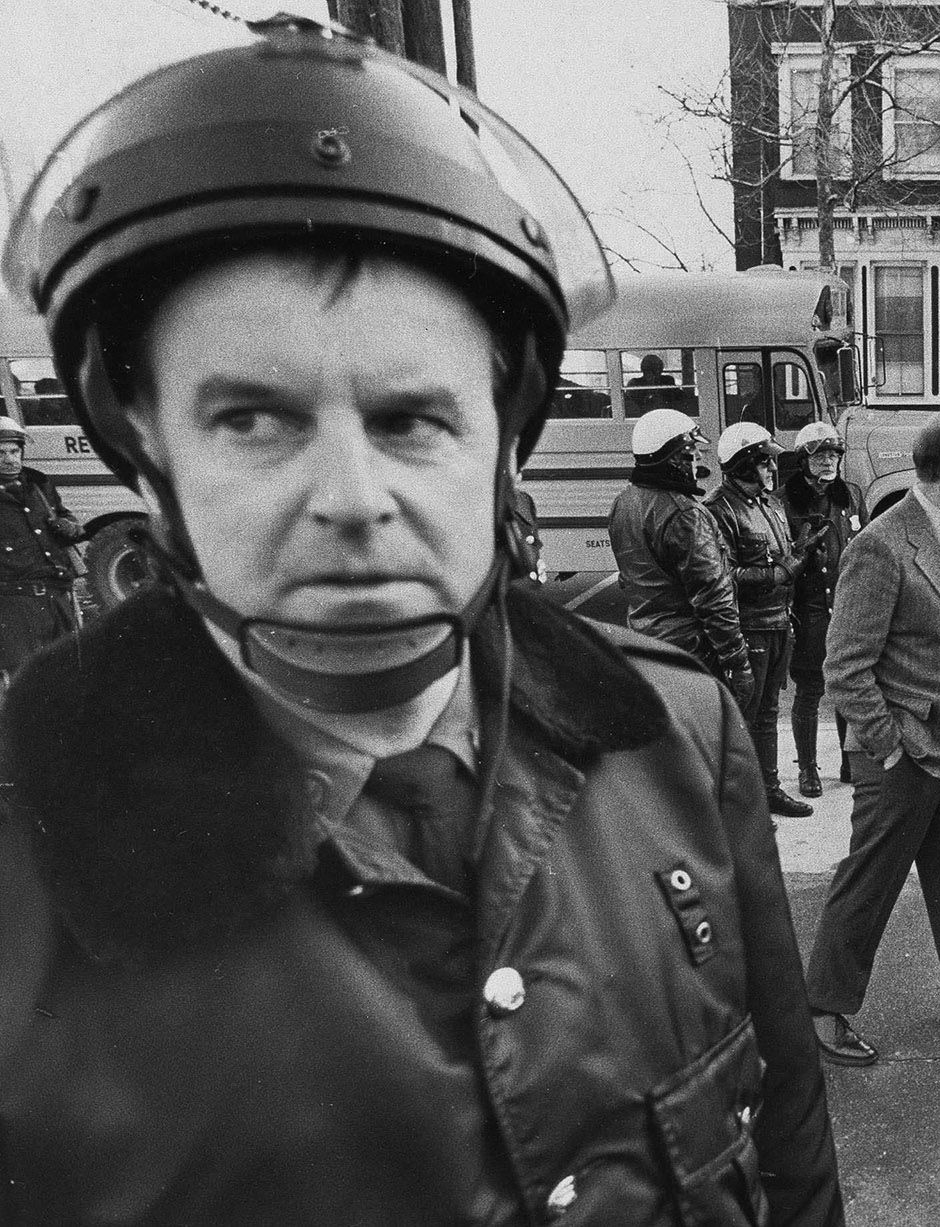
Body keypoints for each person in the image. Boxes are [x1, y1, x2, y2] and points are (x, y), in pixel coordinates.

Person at [0, 20, 842, 1224]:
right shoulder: (21, 866)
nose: (350, 500)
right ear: (147, 457)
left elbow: (788, 1133)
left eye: (410, 420)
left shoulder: (676, 732)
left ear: (502, 447)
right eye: (253, 419)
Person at [805, 413, 940, 1067]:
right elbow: (843, 665)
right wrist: (888, 744)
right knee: (871, 877)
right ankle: (823, 1007)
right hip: (904, 751)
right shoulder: (879, 546)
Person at [710, 421, 824, 819]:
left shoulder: (769, 503)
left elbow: (779, 553)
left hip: (779, 622)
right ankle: (740, 803)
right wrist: (785, 570)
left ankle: (769, 789)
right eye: (763, 464)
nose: (772, 471)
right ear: (743, 465)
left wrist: (800, 545)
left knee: (769, 711)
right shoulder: (718, 511)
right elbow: (726, 576)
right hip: (750, 627)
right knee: (746, 714)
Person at [609, 408, 755, 705]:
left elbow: (628, 580)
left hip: (644, 643)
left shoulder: (623, 503)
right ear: (674, 458)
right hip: (690, 653)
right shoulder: (685, 514)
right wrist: (738, 663)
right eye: (692, 453)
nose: (699, 460)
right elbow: (714, 596)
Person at [784, 420, 865, 797]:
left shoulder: (850, 495)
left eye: (834, 454)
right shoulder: (785, 501)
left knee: (849, 685)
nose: (828, 462)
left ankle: (851, 760)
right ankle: (808, 769)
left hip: (847, 606)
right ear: (803, 461)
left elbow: (865, 544)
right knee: (811, 688)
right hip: (810, 607)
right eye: (819, 456)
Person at [0, 414, 84, 684]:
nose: (9, 459)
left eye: (14, 451)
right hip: (14, 604)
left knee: (72, 672)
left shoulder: (39, 485)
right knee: (26, 680)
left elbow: (68, 518)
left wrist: (69, 527)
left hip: (57, 595)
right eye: (0, 453)